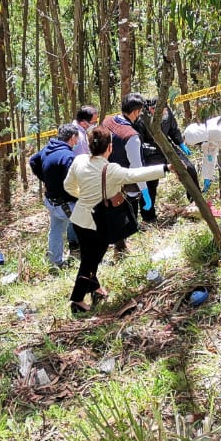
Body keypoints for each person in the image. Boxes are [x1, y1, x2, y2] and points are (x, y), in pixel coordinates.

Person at [64, 126, 168, 314]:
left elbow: (68, 185)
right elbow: (136, 174)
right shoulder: (110, 169)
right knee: (89, 261)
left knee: (93, 257)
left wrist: (85, 196)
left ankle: (95, 289)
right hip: (96, 222)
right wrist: (165, 168)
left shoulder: (79, 160)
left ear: (89, 146)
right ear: (110, 147)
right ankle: (77, 301)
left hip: (80, 218)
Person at [133, 96, 198, 216]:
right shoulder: (141, 119)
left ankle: (196, 202)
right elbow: (139, 141)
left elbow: (173, 129)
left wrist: (181, 143)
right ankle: (149, 215)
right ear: (152, 110)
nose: (164, 112)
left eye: (165, 109)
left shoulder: (167, 112)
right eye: (160, 110)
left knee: (190, 169)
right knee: (151, 180)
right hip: (151, 151)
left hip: (168, 146)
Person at [29, 123, 82, 268]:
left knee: (56, 231)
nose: (77, 142)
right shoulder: (68, 156)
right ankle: (94, 260)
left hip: (51, 201)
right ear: (72, 138)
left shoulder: (47, 149)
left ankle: (56, 263)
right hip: (66, 204)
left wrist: (46, 179)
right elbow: (73, 183)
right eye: (77, 138)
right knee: (90, 227)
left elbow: (33, 160)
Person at [101, 93, 152, 226]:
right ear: (135, 112)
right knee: (129, 209)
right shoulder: (131, 137)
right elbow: (137, 167)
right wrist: (145, 192)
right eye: (140, 112)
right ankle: (127, 235)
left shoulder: (107, 121)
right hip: (125, 180)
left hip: (107, 175)